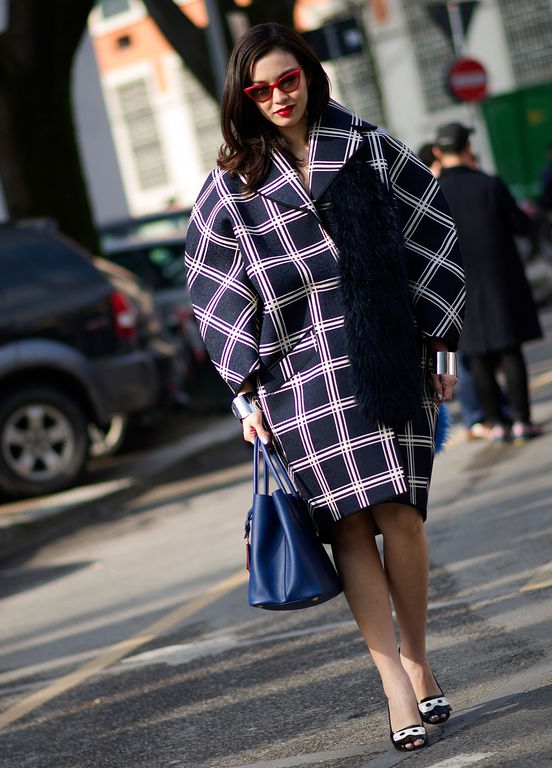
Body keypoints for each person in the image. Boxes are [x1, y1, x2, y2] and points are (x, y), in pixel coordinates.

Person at [185, 23, 465, 753]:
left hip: (384, 354)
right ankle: (395, 691)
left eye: (289, 80)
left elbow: (429, 232)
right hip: (297, 380)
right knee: (348, 526)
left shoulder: (368, 146)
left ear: (310, 75)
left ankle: (419, 657)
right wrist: (244, 391)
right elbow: (214, 287)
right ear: (242, 96)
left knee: (400, 516)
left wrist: (440, 341)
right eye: (260, 88)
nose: (278, 96)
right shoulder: (230, 186)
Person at [433, 122, 543, 443]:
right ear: (468, 148)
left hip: (458, 289)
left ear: (438, 153)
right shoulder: (489, 184)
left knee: (477, 356)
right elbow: (522, 226)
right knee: (510, 352)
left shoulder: (433, 192)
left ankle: (495, 423)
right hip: (500, 284)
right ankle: (522, 420)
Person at [416, 141, 508, 441]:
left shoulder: (432, 192)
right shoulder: (434, 192)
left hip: (449, 304)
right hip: (454, 302)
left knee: (463, 359)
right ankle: (475, 416)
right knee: (463, 362)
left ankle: (478, 416)